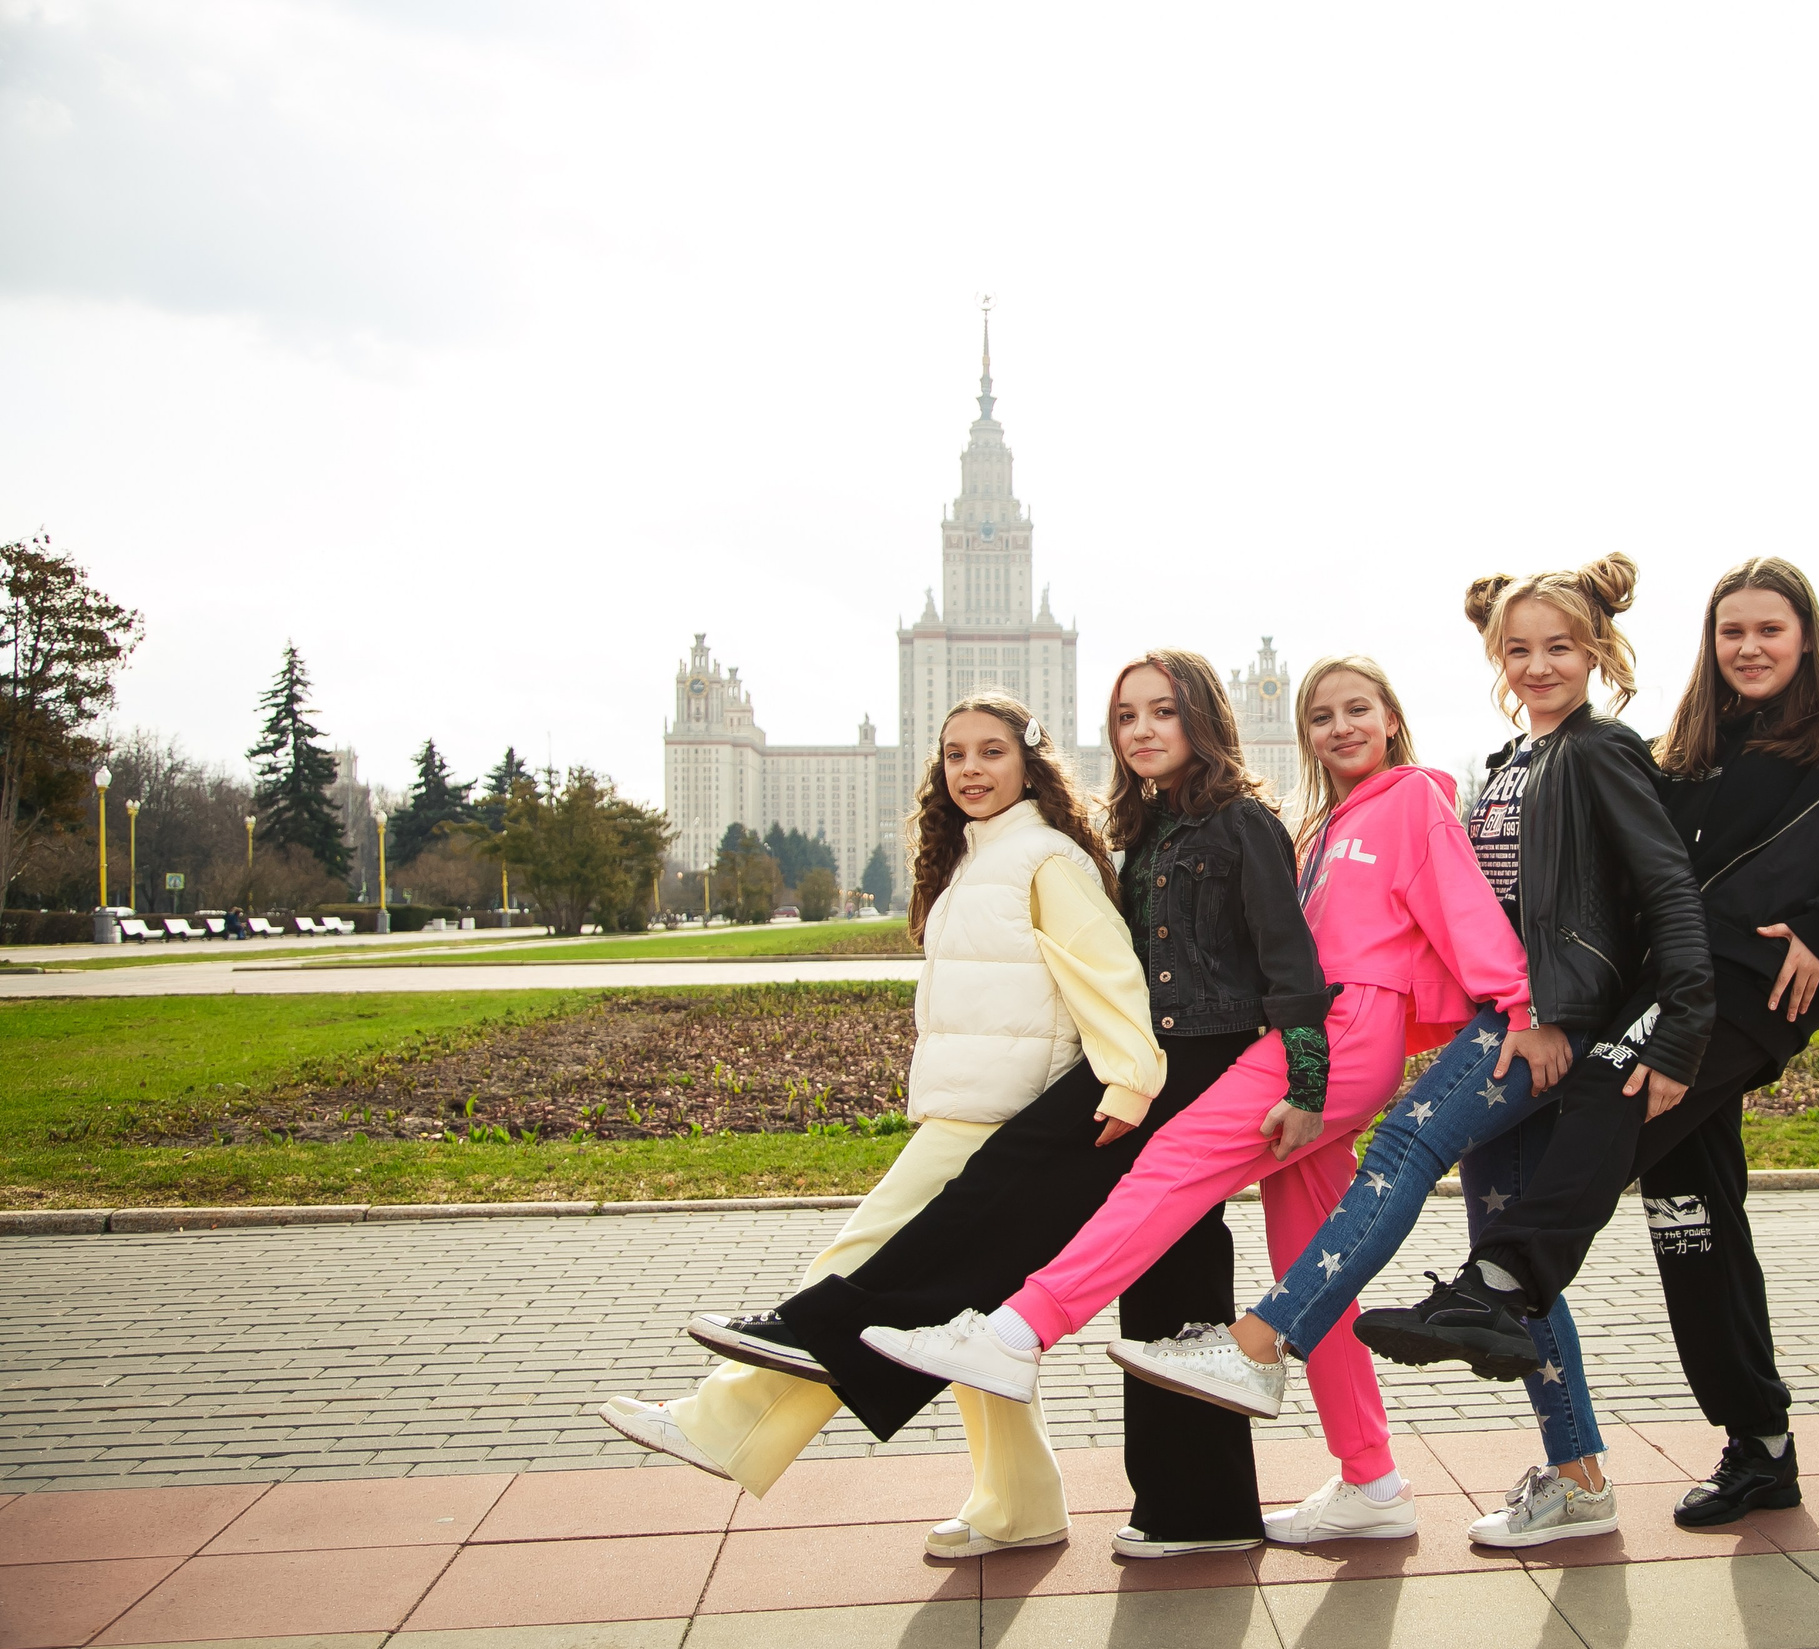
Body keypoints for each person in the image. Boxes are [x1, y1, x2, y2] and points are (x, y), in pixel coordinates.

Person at [871, 557, 1718, 1552]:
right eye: (1322, 716)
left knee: (1171, 1167)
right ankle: (1372, 1480)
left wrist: (1519, 1003)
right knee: (1310, 1257)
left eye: (1358, 708)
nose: (1340, 728)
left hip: (1349, 1038)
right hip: (1329, 1037)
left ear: (1392, 718)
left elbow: (1465, 914)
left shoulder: (1408, 800)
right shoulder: (1327, 825)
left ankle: (1019, 1333)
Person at [681, 651, 1339, 1558]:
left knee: (1001, 1191)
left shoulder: (1241, 823)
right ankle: (1199, 1511)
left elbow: (1289, 962)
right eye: (1126, 717)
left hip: (1201, 1061)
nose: (1141, 730)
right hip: (1163, 1054)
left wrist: (1307, 1082)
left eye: (1161, 711)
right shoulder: (1144, 828)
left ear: (1202, 719)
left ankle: (824, 1327)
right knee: (1172, 1270)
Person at [1365, 554, 1819, 1531]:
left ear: (1804, 638)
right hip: (1669, 989)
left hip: (1745, 992)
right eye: (1731, 632)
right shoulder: (1686, 754)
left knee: (1605, 1094)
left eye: (1768, 629)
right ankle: (1760, 1447)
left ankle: (1499, 1284)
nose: (1749, 647)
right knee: (1695, 1225)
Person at [596, 691, 1164, 1559]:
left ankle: (724, 1422)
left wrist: (1129, 1081)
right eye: (954, 754)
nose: (970, 769)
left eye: (991, 752)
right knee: (959, 1321)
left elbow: (1111, 975)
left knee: (857, 1264)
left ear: (1029, 763)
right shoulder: (978, 859)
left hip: (999, 1114)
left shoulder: (1044, 857)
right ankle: (1021, 1503)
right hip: (967, 1101)